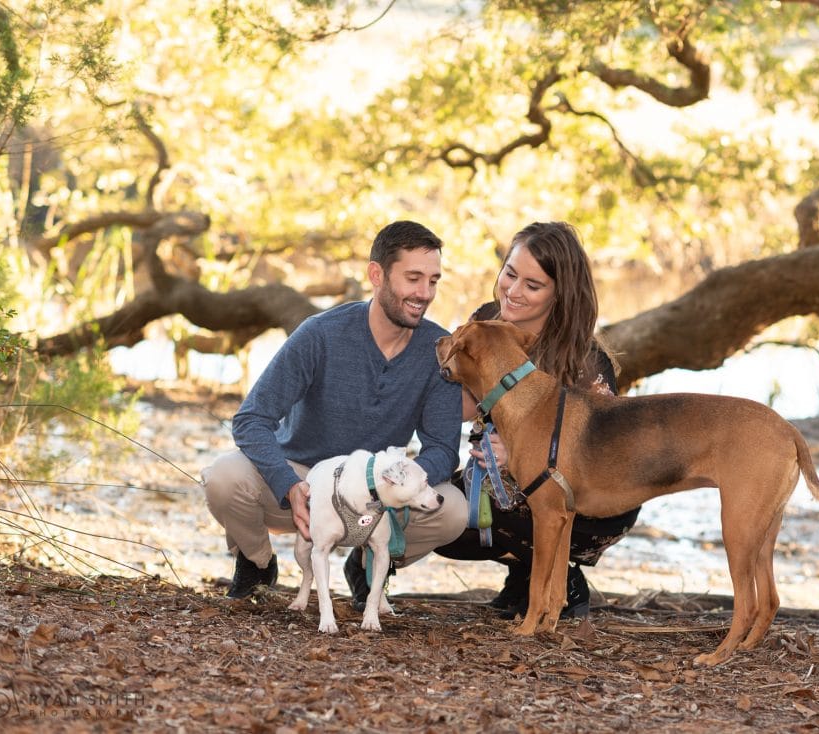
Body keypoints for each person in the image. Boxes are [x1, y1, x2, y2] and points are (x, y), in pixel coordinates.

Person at [202, 220, 467, 603]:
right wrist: (287, 485)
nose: (424, 293)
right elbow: (251, 419)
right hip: (303, 486)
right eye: (413, 278)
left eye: (433, 280)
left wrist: (399, 484)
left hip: (374, 498)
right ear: (376, 274)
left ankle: (368, 563)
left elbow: (442, 447)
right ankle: (257, 561)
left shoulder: (438, 349)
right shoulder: (321, 334)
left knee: (454, 511)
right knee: (223, 478)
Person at [435, 221, 641, 619]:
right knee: (445, 518)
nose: (513, 291)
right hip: (495, 482)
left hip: (589, 499)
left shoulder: (585, 360)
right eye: (510, 274)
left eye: (533, 285)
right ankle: (524, 570)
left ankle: (562, 579)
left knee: (531, 493)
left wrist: (520, 452)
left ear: (558, 293)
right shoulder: (487, 320)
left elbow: (608, 457)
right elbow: (463, 399)